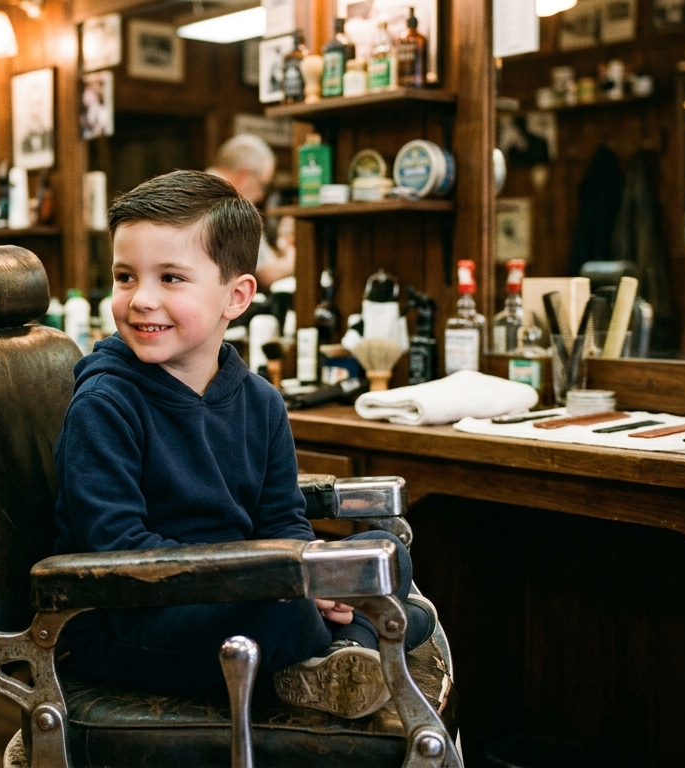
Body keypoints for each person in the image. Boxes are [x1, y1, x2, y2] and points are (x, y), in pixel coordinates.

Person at [51, 170, 436, 719]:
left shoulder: (261, 402)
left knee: (382, 553)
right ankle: (345, 650)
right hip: (132, 619)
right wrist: (278, 577)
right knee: (295, 616)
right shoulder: (105, 405)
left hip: (244, 592)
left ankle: (338, 659)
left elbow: (282, 519)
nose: (141, 300)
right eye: (125, 277)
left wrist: (304, 563)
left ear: (237, 296)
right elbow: (118, 549)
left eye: (171, 278)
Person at [206, 134, 294, 291]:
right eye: (263, 185)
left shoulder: (192, 191)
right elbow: (265, 274)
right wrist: (294, 259)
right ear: (244, 176)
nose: (261, 195)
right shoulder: (231, 203)